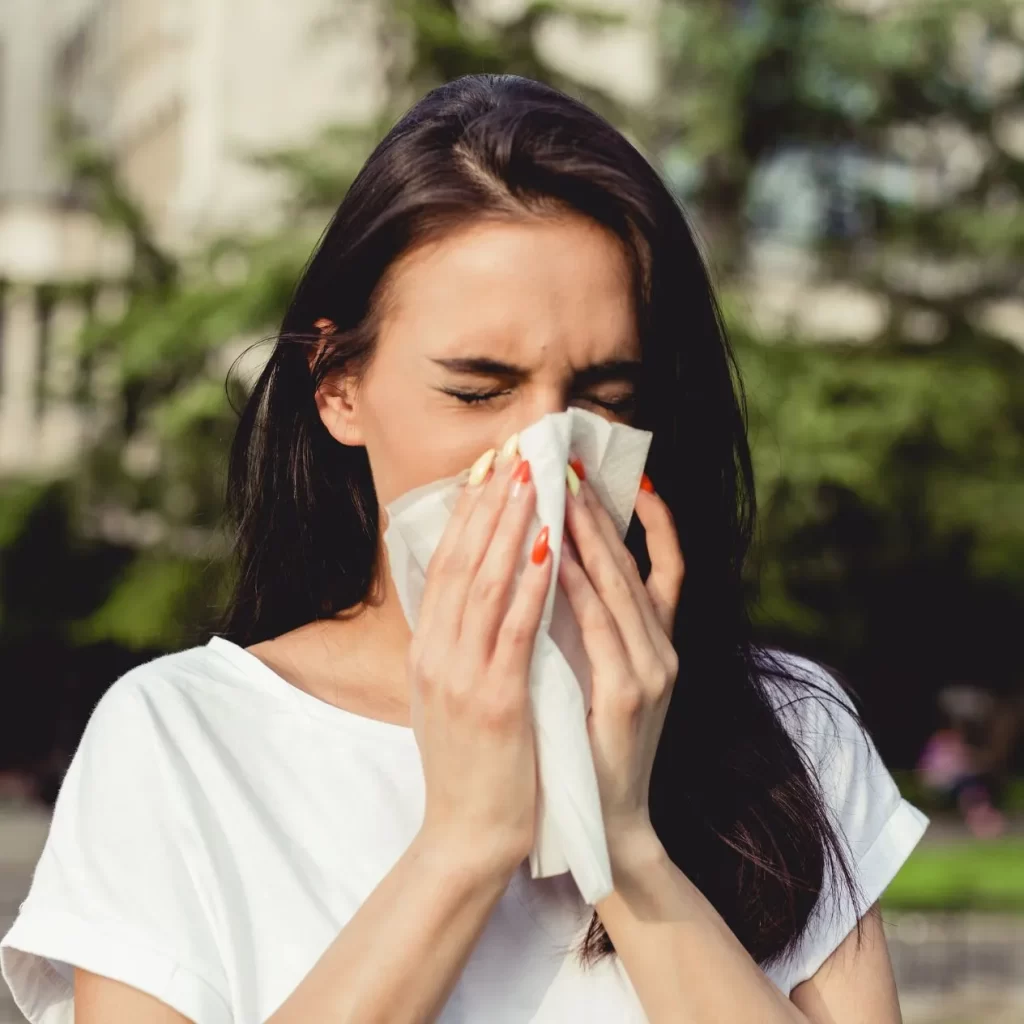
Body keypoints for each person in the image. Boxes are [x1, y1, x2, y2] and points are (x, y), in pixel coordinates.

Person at [0, 74, 929, 1023]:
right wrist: (462, 845)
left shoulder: (783, 734)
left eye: (603, 398)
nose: (544, 455)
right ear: (339, 388)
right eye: (479, 392)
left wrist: (621, 839)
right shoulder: (183, 739)